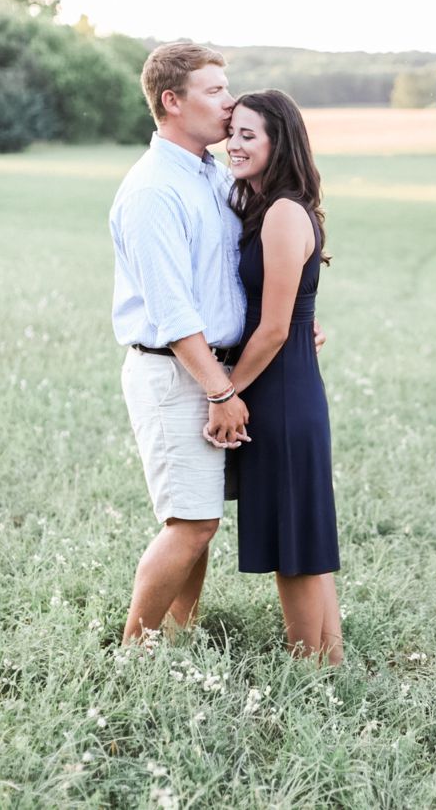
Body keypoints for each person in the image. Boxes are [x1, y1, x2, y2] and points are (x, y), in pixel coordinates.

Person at [110, 44, 323, 646]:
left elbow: (240, 269)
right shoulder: (154, 189)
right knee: (191, 522)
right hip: (181, 373)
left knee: (199, 518)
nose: (229, 104)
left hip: (221, 371)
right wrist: (220, 389)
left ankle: (179, 638)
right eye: (214, 91)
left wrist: (296, 316)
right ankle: (137, 651)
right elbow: (173, 311)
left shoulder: (211, 173)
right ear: (172, 102)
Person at [221, 90, 343, 665]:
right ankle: (328, 663)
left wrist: (226, 392)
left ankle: (312, 669)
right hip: (286, 382)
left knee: (297, 543)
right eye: (233, 132)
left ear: (279, 141)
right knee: (304, 537)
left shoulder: (283, 212)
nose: (235, 144)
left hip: (281, 391)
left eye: (250, 135)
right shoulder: (269, 206)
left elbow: (272, 328)